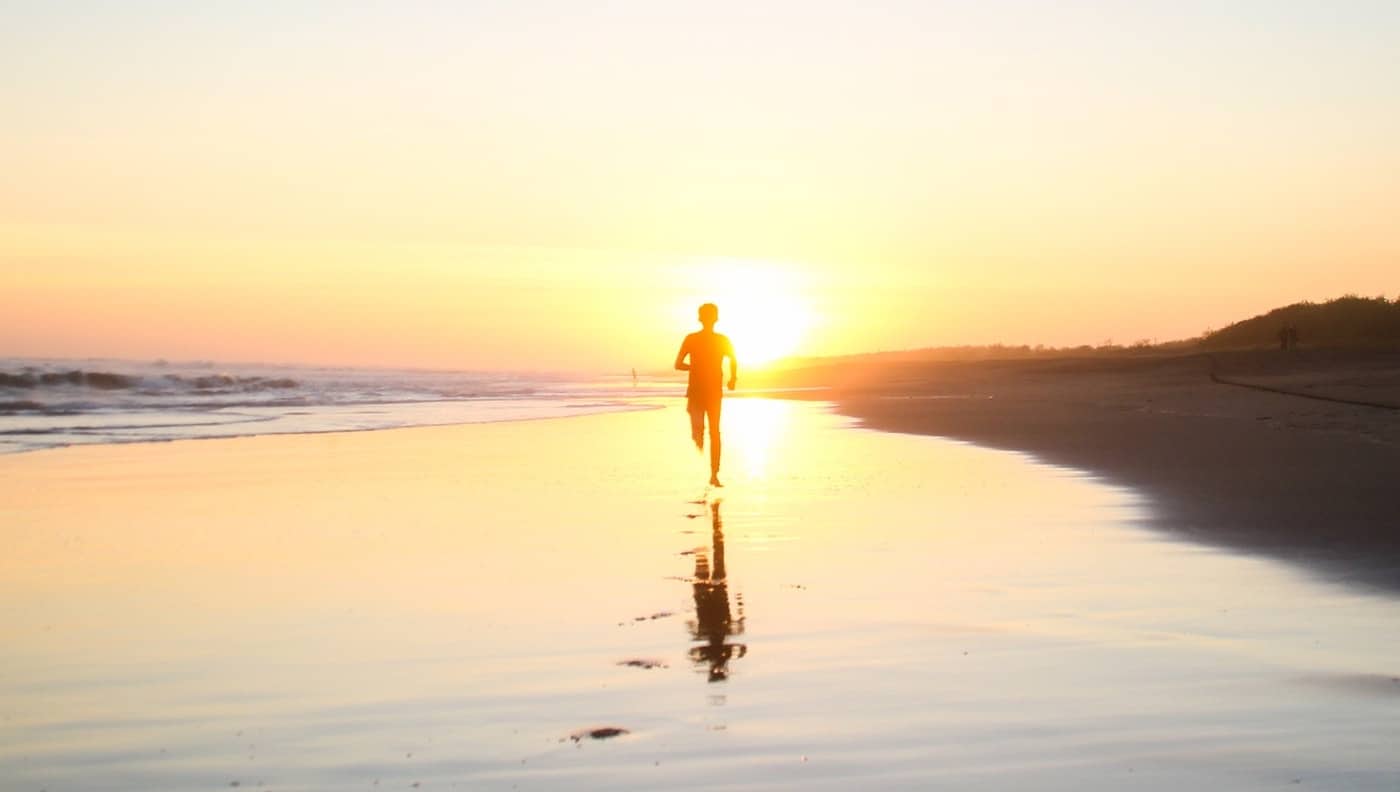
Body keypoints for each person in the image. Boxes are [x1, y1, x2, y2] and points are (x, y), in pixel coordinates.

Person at [674, 303, 737, 486]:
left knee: (713, 432)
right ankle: (714, 473)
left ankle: (714, 474)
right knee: (711, 432)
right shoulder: (714, 339)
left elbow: (678, 364)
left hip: (706, 391)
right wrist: (733, 378)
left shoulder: (698, 339)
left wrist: (733, 377)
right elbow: (734, 360)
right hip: (706, 391)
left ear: (700, 318)